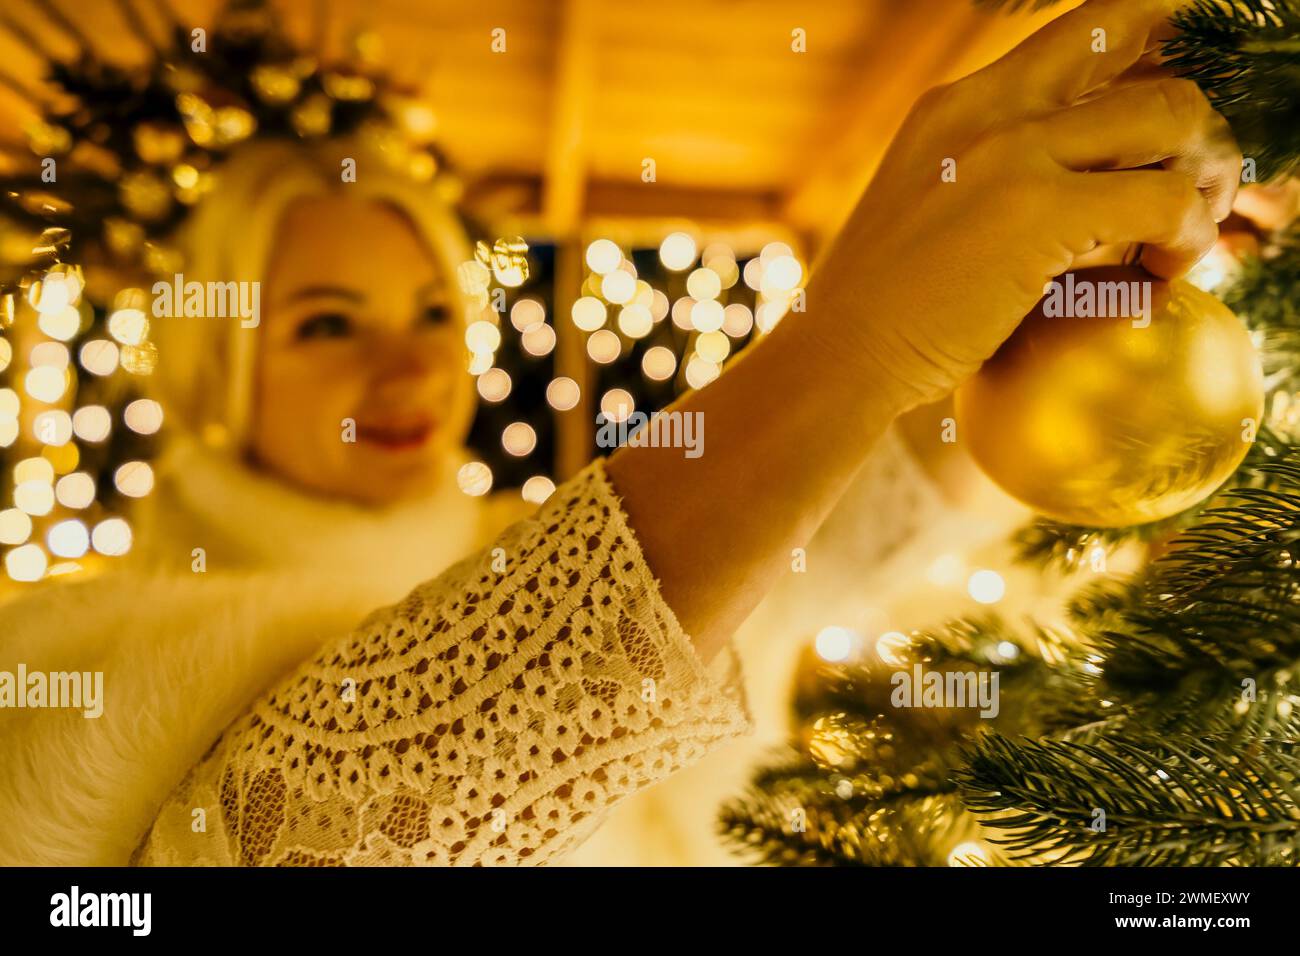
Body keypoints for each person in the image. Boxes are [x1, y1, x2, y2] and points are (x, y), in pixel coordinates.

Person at [0, 0, 1240, 865]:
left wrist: (1038, 326)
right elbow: (293, 828)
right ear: (214, 363)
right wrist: (852, 343)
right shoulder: (72, 671)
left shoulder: (538, 540)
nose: (407, 363)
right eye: (329, 325)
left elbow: (830, 537)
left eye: (436, 308)